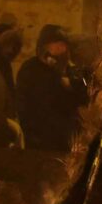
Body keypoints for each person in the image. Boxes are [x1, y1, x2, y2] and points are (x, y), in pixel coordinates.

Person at [16, 23, 90, 152]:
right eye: (55, 44)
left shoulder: (72, 69)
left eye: (63, 44)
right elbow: (22, 101)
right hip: (39, 137)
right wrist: (30, 130)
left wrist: (72, 84)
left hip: (66, 138)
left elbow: (84, 96)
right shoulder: (31, 68)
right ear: (45, 46)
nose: (60, 47)